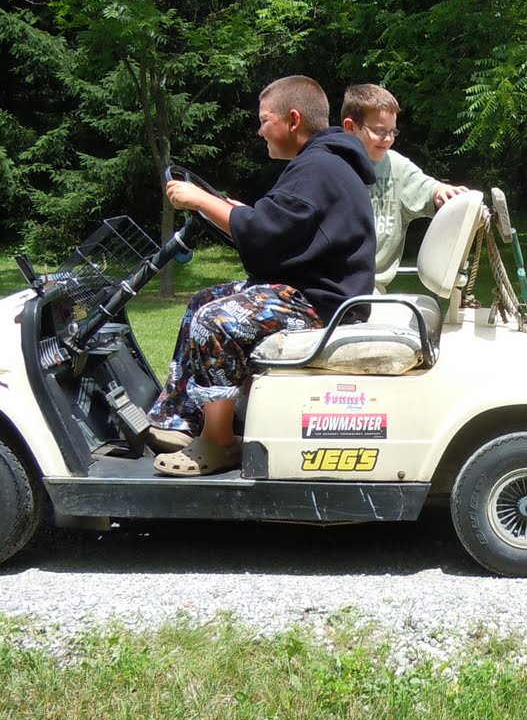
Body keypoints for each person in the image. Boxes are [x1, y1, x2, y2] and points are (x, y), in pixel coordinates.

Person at [146, 75, 376, 476]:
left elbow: (265, 233)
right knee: (202, 301)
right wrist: (231, 210)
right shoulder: (320, 163)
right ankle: (182, 417)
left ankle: (220, 442)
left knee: (215, 321)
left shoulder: (318, 167)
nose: (259, 130)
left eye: (264, 120)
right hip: (309, 291)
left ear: (292, 119)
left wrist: (202, 201)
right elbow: (281, 226)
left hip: (324, 304)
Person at [339, 83, 467, 292]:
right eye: (380, 131)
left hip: (371, 289)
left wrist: (443, 192)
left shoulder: (396, 166)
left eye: (392, 131)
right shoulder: (329, 165)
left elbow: (430, 189)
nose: (389, 139)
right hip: (334, 286)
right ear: (350, 127)